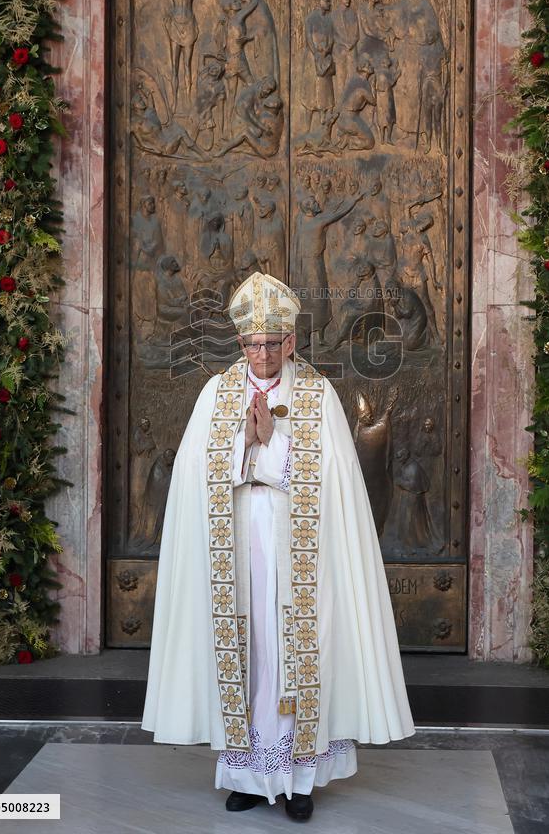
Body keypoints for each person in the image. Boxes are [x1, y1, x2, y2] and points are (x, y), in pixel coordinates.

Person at [141, 271, 415, 822]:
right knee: (251, 655)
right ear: (239, 342)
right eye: (251, 344)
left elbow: (333, 478)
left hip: (300, 559)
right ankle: (246, 775)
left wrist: (272, 445)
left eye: (272, 343)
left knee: (294, 656)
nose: (262, 353)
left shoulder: (318, 395)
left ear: (291, 341)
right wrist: (243, 440)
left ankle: (297, 783)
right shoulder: (217, 394)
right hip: (239, 555)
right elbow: (196, 473)